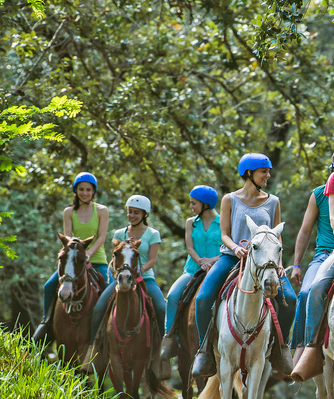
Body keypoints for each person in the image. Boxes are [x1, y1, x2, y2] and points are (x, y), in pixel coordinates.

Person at [192, 153, 296, 378]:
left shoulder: (273, 201)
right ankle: (204, 351)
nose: (268, 175)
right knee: (203, 298)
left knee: (291, 299)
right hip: (232, 257)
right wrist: (236, 248)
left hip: (265, 261)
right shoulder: (230, 199)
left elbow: (277, 239)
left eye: (268, 172)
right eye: (263, 171)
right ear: (249, 173)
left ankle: (281, 349)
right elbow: (225, 234)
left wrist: (278, 263)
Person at [33, 172, 109, 342]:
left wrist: (88, 253)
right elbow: (67, 239)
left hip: (96, 260)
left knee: (110, 287)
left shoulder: (102, 211)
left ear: (93, 192)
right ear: (76, 191)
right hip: (74, 261)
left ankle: (107, 327)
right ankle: (47, 323)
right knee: (49, 286)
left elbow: (102, 238)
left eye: (88, 190)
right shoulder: (69, 212)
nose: (85, 193)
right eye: (81, 189)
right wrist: (76, 254)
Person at [88, 194, 166, 342]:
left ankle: (164, 345)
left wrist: (138, 271)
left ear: (145, 214)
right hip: (121, 278)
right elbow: (114, 259)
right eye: (130, 211)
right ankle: (93, 346)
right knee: (98, 308)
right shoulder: (119, 234)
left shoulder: (153, 234)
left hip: (145, 278)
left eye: (136, 212)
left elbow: (152, 261)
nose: (132, 215)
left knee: (162, 308)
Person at [160, 185, 221, 360]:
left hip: (216, 269)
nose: (191, 207)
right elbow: (189, 246)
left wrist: (212, 261)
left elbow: (226, 247)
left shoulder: (223, 221)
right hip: (193, 269)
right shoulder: (190, 222)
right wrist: (201, 261)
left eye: (194, 203)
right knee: (172, 296)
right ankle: (169, 337)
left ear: (206, 204)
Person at [290, 156, 334, 362]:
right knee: (308, 291)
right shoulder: (318, 195)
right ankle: (305, 346)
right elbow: (305, 231)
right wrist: (297, 264)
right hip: (324, 255)